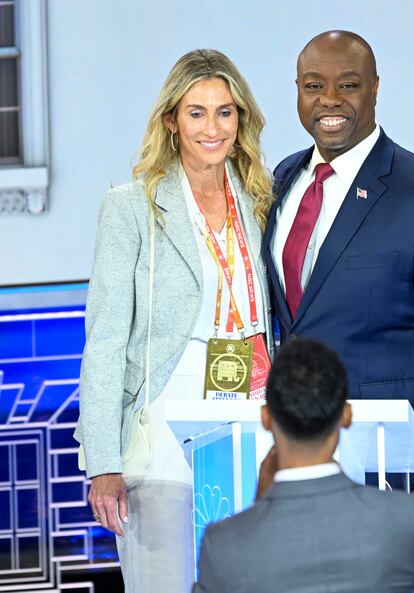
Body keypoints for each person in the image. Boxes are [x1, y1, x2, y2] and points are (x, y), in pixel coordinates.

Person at [263, 31, 414, 592]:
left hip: (397, 475)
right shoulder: (281, 182)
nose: (329, 100)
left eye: (348, 85)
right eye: (313, 86)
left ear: (374, 90)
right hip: (297, 471)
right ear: (297, 91)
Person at [75, 49, 274, 592]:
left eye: (225, 112)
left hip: (251, 428)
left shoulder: (260, 201)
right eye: (196, 113)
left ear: (240, 119)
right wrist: (103, 463)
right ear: (171, 121)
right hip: (161, 435)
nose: (213, 128)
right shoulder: (131, 207)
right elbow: (105, 341)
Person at [193, 338, 414, 593]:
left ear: (266, 417)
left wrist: (258, 510)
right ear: (347, 415)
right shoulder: (408, 519)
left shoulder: (224, 542)